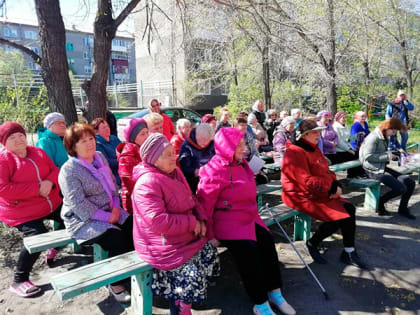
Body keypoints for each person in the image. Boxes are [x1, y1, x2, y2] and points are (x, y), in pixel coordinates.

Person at [197, 128, 296, 315]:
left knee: (267, 243)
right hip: (227, 223)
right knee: (248, 253)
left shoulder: (241, 164)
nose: (244, 149)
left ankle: (274, 291)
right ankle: (260, 303)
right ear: (228, 147)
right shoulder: (213, 170)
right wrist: (210, 235)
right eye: (240, 145)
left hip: (250, 218)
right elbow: (204, 207)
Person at [132, 133, 219, 315]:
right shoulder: (146, 183)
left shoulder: (174, 171)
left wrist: (201, 220)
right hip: (161, 244)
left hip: (182, 235)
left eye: (174, 152)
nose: (175, 157)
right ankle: (180, 307)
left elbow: (192, 198)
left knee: (209, 253)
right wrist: (191, 222)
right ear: (154, 159)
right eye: (168, 154)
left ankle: (185, 302)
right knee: (190, 274)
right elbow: (158, 221)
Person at [59, 123, 134, 302]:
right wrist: (108, 217)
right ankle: (115, 283)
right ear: (73, 146)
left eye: (91, 139)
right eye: (83, 141)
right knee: (115, 239)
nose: (89, 144)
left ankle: (131, 271)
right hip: (83, 219)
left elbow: (112, 186)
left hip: (111, 208)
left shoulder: (99, 156)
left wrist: (116, 208)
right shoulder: (69, 170)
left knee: (134, 227)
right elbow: (78, 204)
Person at [281, 119, 367, 269]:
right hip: (299, 195)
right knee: (340, 214)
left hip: (317, 191)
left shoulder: (314, 148)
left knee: (348, 209)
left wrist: (335, 184)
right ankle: (313, 243)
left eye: (319, 131)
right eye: (314, 132)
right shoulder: (294, 152)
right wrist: (330, 188)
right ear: (304, 135)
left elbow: (326, 170)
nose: (318, 135)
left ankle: (348, 251)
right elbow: (305, 180)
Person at [0, 122, 63, 297]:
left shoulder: (37, 152)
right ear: (4, 143)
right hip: (21, 211)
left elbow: (54, 170)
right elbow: (3, 189)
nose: (19, 139)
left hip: (50, 202)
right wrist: (37, 188)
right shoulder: (3, 160)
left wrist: (49, 182)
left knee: (72, 218)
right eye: (12, 138)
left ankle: (54, 249)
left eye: (20, 135)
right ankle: (19, 279)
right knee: (37, 236)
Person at [359, 118, 415, 219]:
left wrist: (395, 152)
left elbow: (381, 152)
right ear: (386, 127)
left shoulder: (384, 136)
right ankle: (380, 202)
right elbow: (367, 156)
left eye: (395, 131)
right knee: (400, 188)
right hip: (371, 169)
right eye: (393, 131)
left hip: (381, 166)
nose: (394, 133)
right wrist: (388, 156)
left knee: (410, 182)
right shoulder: (373, 137)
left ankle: (403, 209)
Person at [116, 118, 149, 213]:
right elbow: (130, 183)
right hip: (134, 203)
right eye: (142, 134)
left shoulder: (144, 149)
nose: (147, 136)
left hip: (147, 197)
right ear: (133, 138)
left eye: (147, 132)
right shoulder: (127, 156)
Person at [179, 123, 215, 193]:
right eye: (203, 139)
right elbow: (184, 168)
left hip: (211, 178)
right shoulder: (187, 146)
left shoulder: (211, 143)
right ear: (196, 135)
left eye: (208, 140)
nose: (205, 142)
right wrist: (198, 171)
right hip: (194, 182)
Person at [332, 111, 365, 177]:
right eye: (343, 118)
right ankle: (352, 176)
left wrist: (357, 135)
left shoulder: (346, 126)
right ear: (338, 119)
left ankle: (359, 174)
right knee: (353, 157)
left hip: (347, 149)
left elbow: (349, 139)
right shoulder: (335, 127)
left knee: (360, 155)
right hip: (339, 150)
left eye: (345, 117)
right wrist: (348, 149)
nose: (345, 119)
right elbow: (339, 142)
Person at [91, 118, 121, 186]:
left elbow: (124, 150)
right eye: (104, 127)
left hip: (123, 171)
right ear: (96, 132)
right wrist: (122, 160)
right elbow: (106, 162)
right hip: (113, 179)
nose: (107, 128)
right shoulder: (97, 144)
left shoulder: (114, 138)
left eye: (107, 126)